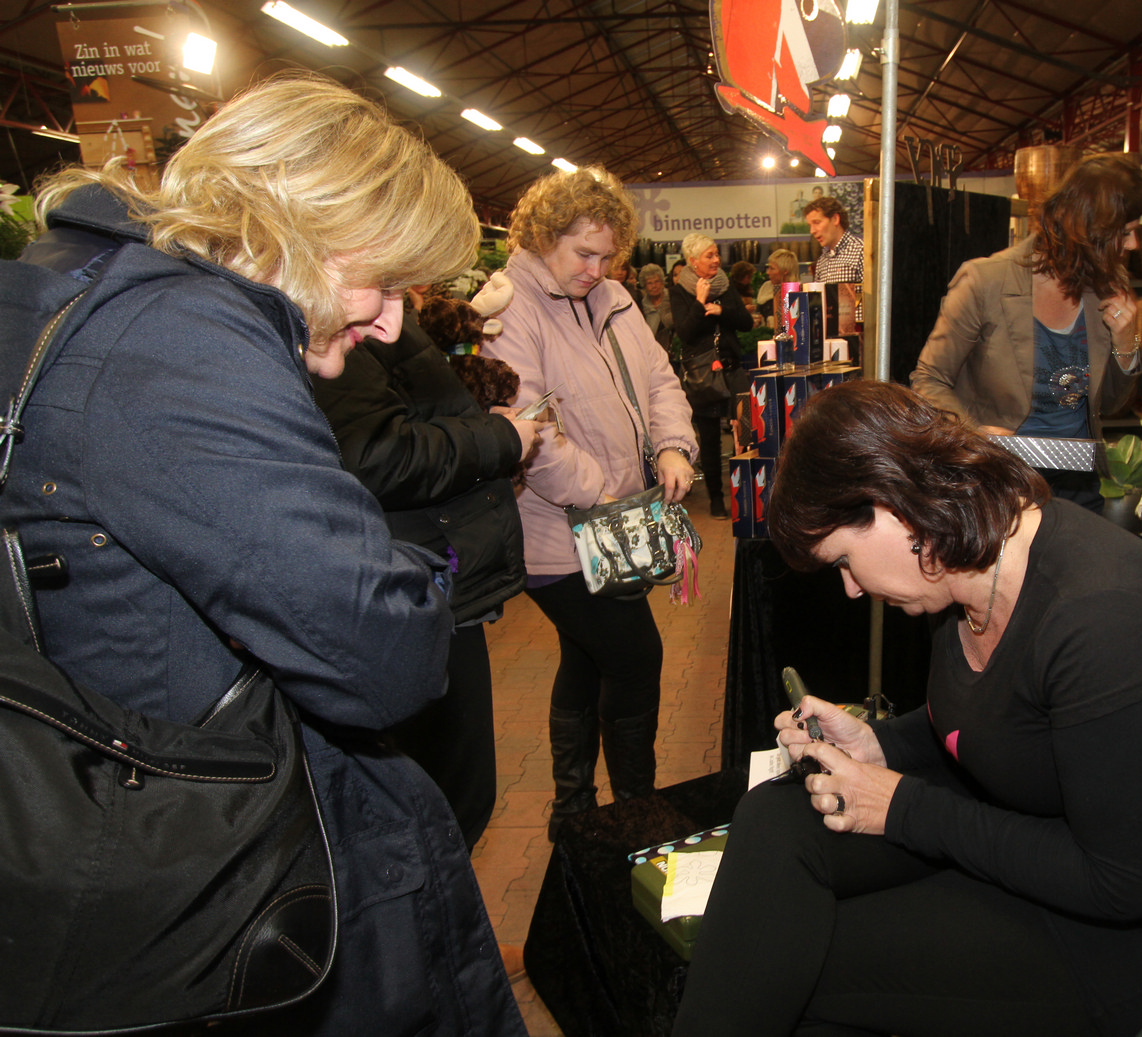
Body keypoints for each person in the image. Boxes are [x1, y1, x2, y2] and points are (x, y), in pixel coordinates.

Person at [6, 73, 527, 1033]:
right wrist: (409, 568)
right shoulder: (181, 345)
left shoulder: (66, 284)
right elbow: (382, 654)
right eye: (383, 281)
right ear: (299, 230)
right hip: (223, 865)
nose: (391, 321)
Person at [672, 380, 1142, 1037]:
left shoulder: (1102, 621)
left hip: (1125, 934)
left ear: (894, 507)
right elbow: (999, 722)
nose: (851, 589)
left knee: (790, 961)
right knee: (774, 817)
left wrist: (902, 806)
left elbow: (1118, 882)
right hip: (1031, 829)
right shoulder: (962, 570)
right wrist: (880, 745)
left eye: (843, 560)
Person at [481, 165, 698, 839]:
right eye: (583, 253)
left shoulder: (614, 298)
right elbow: (525, 424)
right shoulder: (509, 308)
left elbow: (659, 380)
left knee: (585, 656)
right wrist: (598, 493)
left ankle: (573, 809)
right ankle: (636, 811)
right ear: (544, 236)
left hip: (613, 520)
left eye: (607, 256)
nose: (596, 269)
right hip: (555, 531)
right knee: (634, 658)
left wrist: (673, 447)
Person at [312, 290, 538, 853]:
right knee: (443, 804)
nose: (391, 321)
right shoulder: (336, 329)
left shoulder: (368, 316)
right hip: (412, 584)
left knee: (455, 795)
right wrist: (499, 438)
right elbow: (375, 456)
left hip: (434, 576)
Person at [910, 153, 1142, 510]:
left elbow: (1112, 406)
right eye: (1125, 233)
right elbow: (929, 379)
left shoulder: (1109, 285)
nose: (1133, 245)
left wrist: (1127, 342)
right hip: (998, 481)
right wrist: (974, 433)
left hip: (1077, 485)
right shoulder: (985, 281)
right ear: (1089, 231)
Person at [670, 231, 752, 520]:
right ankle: (716, 498)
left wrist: (721, 310)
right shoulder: (680, 291)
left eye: (717, 254)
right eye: (709, 256)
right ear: (693, 261)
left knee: (745, 429)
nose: (716, 260)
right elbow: (685, 332)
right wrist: (699, 301)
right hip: (703, 373)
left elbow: (746, 322)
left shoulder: (726, 286)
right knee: (709, 437)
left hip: (732, 368)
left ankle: (747, 492)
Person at [803, 194, 864, 283]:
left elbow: (872, 291)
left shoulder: (860, 252)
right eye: (810, 225)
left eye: (817, 222)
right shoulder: (822, 260)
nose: (812, 231)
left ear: (835, 219)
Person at [756, 247, 800, 328]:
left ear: (785, 270)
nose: (768, 272)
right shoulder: (766, 287)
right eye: (768, 268)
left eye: (772, 268)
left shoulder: (798, 292)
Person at [638, 261, 675, 353]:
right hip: (649, 351)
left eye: (657, 281)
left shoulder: (672, 298)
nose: (654, 286)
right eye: (650, 283)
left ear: (663, 282)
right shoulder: (641, 305)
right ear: (644, 286)